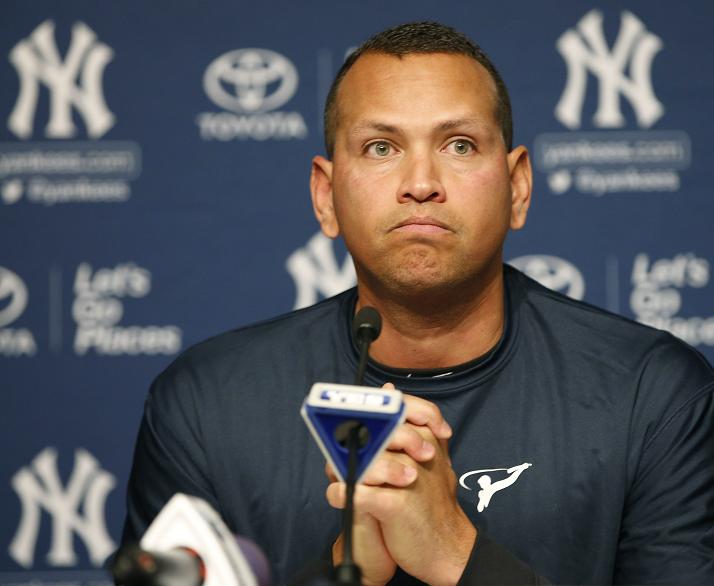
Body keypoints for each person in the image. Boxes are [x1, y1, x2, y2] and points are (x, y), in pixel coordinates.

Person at [121, 21, 714, 585]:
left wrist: (457, 555)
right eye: (381, 148)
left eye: (459, 145)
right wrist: (345, 570)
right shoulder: (206, 405)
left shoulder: (652, 394)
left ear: (519, 187)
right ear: (326, 196)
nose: (421, 181)